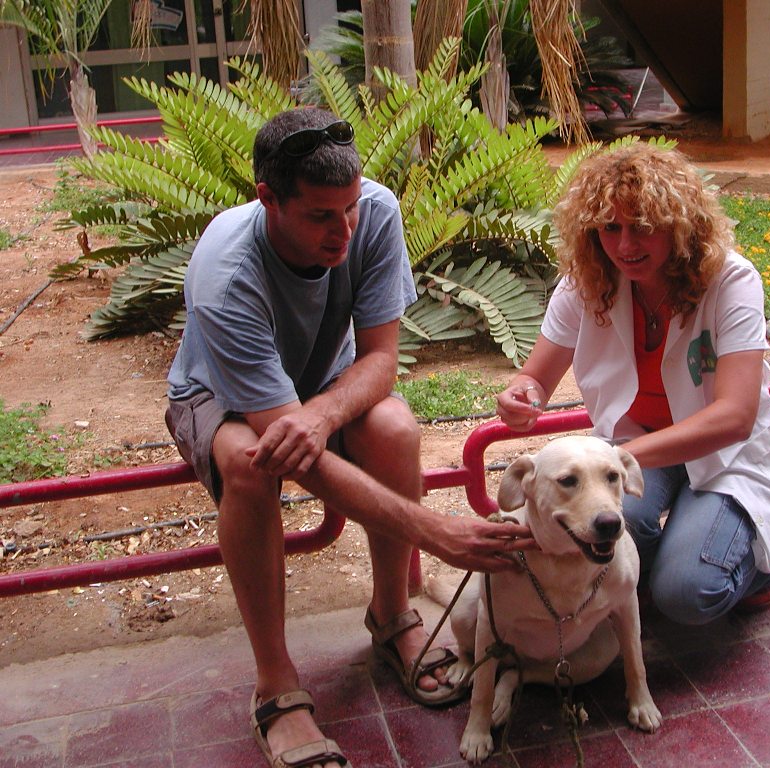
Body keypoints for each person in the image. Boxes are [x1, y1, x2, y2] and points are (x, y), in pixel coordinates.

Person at [165, 107, 534, 768]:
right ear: (268, 199)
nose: (344, 231)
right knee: (250, 464)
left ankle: (392, 616)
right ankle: (276, 683)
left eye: (350, 209)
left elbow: (382, 359)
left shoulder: (375, 210)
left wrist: (322, 413)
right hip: (218, 393)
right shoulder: (226, 274)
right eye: (320, 217)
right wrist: (435, 531)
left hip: (321, 380)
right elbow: (292, 455)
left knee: (393, 425)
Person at [496, 143, 770, 627]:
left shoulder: (731, 281)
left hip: (724, 454)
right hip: (636, 446)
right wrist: (523, 396)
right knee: (605, 532)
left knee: (686, 593)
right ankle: (682, 545)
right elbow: (535, 377)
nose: (625, 246)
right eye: (609, 228)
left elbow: (735, 417)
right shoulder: (586, 282)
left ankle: (760, 571)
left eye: (642, 226)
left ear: (679, 225)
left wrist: (619, 460)